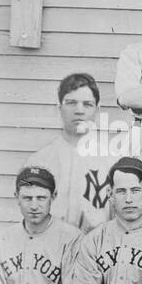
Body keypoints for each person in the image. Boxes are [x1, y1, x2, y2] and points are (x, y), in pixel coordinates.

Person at [29, 73, 117, 233]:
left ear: (97, 110)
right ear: (59, 108)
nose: (79, 111)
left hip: (94, 249)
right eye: (71, 103)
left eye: (87, 104)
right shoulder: (40, 160)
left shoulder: (112, 161)